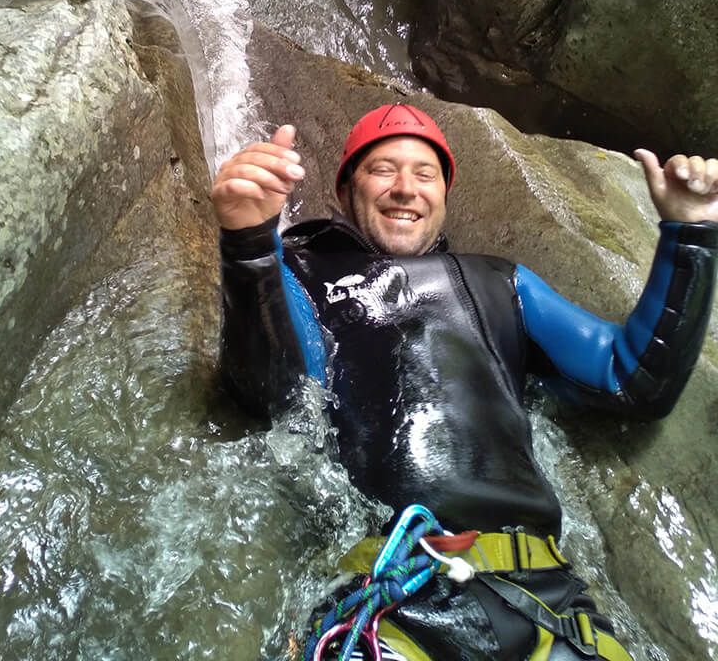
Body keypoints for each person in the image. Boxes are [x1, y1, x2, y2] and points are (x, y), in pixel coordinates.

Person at [211, 103, 718, 661]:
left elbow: (632, 379)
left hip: (544, 599)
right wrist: (251, 245)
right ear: (346, 190)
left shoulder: (499, 282)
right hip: (388, 598)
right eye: (382, 169)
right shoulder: (304, 274)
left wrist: (690, 231)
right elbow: (275, 394)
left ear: (444, 196)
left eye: (425, 174)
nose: (406, 188)